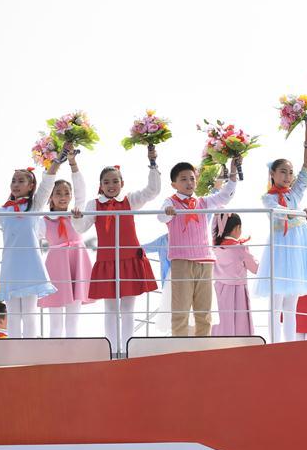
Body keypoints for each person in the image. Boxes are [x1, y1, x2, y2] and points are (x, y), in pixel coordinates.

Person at [0, 146, 68, 337]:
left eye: (21, 181)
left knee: (30, 313)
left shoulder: (35, 205)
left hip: (31, 266)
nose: (16, 184)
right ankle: (15, 348)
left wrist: (56, 163)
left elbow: (47, 184)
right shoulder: (3, 210)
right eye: (13, 181)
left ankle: (31, 350)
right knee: (14, 313)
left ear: (30, 185)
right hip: (12, 266)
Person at [72, 145, 161, 354]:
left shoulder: (130, 200)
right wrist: (76, 217)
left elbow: (153, 191)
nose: (111, 185)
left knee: (129, 309)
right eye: (106, 182)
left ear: (122, 183)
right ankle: (112, 349)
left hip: (130, 259)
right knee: (110, 309)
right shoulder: (94, 204)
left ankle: (128, 348)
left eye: (115, 181)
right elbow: (81, 227)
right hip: (108, 262)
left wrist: (153, 163)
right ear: (100, 186)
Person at [253, 118, 307, 342]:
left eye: (290, 172)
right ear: (273, 175)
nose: (287, 176)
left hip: (298, 247)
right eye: (283, 172)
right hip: (280, 249)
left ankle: (290, 344)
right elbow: (278, 211)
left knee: (292, 304)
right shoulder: (269, 197)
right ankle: (274, 342)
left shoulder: (294, 194)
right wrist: (301, 213)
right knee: (276, 303)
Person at [157, 160, 238, 337]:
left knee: (204, 312)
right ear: (174, 184)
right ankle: (180, 350)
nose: (189, 183)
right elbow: (161, 217)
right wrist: (168, 210)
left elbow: (225, 196)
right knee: (180, 310)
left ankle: (203, 350)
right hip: (182, 261)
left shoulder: (202, 202)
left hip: (205, 261)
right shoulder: (170, 202)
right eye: (184, 179)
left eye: (192, 179)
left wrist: (233, 174)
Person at [37, 148, 93, 337]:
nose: (62, 196)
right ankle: (55, 351)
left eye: (66, 193)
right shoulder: (43, 220)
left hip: (78, 262)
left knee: (73, 317)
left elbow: (82, 191)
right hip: (56, 267)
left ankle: (72, 349)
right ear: (50, 198)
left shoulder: (76, 214)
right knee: (55, 317)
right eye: (58, 193)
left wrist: (73, 164)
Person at [211, 213, 259, 336]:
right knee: (240, 323)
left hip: (219, 289)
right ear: (237, 228)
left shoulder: (215, 248)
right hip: (238, 291)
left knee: (222, 320)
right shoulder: (240, 248)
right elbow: (255, 268)